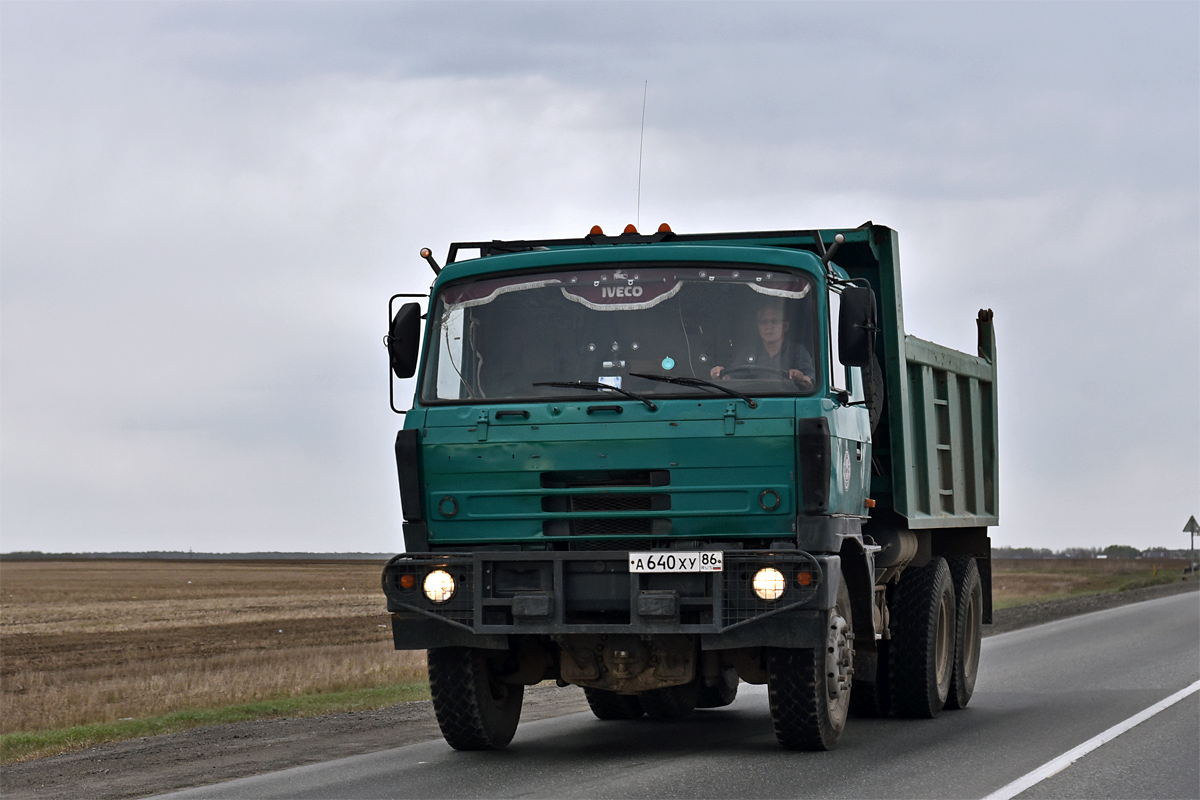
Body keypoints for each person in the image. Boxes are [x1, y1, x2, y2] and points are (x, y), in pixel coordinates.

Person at [710, 301, 815, 391]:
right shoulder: (748, 353)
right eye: (763, 322)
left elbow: (809, 382)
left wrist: (800, 378)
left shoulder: (798, 351)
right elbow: (731, 380)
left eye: (774, 321)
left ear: (785, 326)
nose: (769, 327)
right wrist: (718, 375)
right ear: (758, 326)